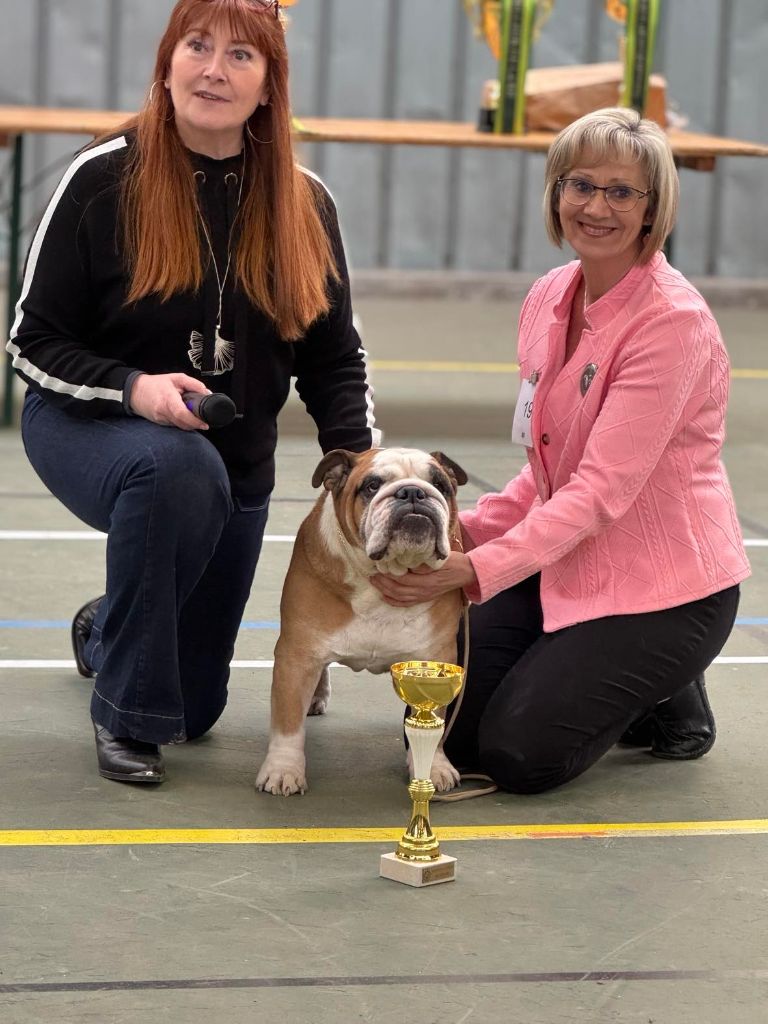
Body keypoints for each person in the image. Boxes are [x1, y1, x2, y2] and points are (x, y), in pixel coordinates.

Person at [6, 0, 378, 784]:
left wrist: (364, 475)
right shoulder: (101, 178)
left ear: (271, 83)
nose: (214, 69)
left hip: (236, 464)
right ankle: (121, 717)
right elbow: (30, 343)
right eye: (197, 47)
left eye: (242, 56)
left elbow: (334, 359)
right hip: (89, 425)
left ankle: (107, 626)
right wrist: (133, 388)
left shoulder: (306, 204)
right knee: (174, 473)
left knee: (196, 709)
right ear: (167, 63)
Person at [371, 107, 750, 794]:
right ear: (555, 193)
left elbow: (598, 491)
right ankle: (587, 668)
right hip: (565, 557)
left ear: (651, 208)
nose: (596, 206)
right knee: (438, 725)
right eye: (580, 185)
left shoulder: (673, 324)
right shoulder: (550, 294)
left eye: (620, 191)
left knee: (521, 756)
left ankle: (665, 688)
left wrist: (472, 570)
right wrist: (447, 535)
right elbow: (544, 471)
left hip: (664, 591)